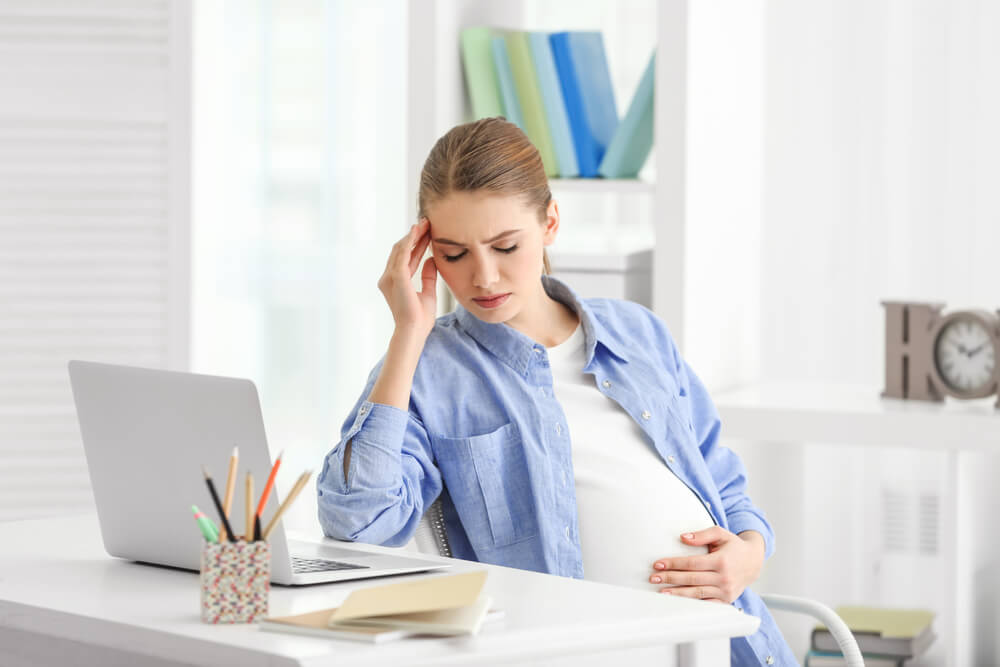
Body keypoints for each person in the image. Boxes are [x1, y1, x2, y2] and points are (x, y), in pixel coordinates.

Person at [317, 117, 797, 665]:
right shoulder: (428, 370)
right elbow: (359, 523)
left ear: (550, 223)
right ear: (424, 252)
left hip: (724, 644)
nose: (485, 277)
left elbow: (720, 479)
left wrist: (750, 554)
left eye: (505, 246)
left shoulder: (637, 333)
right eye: (454, 254)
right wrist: (407, 333)